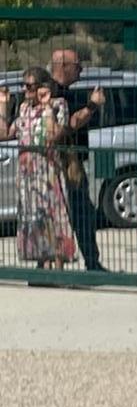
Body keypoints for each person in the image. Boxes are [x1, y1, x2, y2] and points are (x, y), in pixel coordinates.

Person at [2, 69, 78, 269]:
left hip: (48, 170)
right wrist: (3, 106)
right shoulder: (24, 108)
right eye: (24, 85)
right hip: (27, 174)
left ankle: (58, 266)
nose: (25, 90)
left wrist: (47, 107)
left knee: (54, 216)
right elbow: (5, 133)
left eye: (29, 86)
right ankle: (42, 263)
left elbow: (54, 135)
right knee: (33, 218)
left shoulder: (58, 105)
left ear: (42, 87)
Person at [46, 47, 108, 271]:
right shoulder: (52, 92)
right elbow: (69, 124)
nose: (81, 70)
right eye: (77, 66)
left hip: (73, 161)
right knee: (74, 214)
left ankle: (90, 261)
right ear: (63, 66)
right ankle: (73, 264)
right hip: (63, 163)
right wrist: (92, 106)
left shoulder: (66, 91)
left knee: (81, 213)